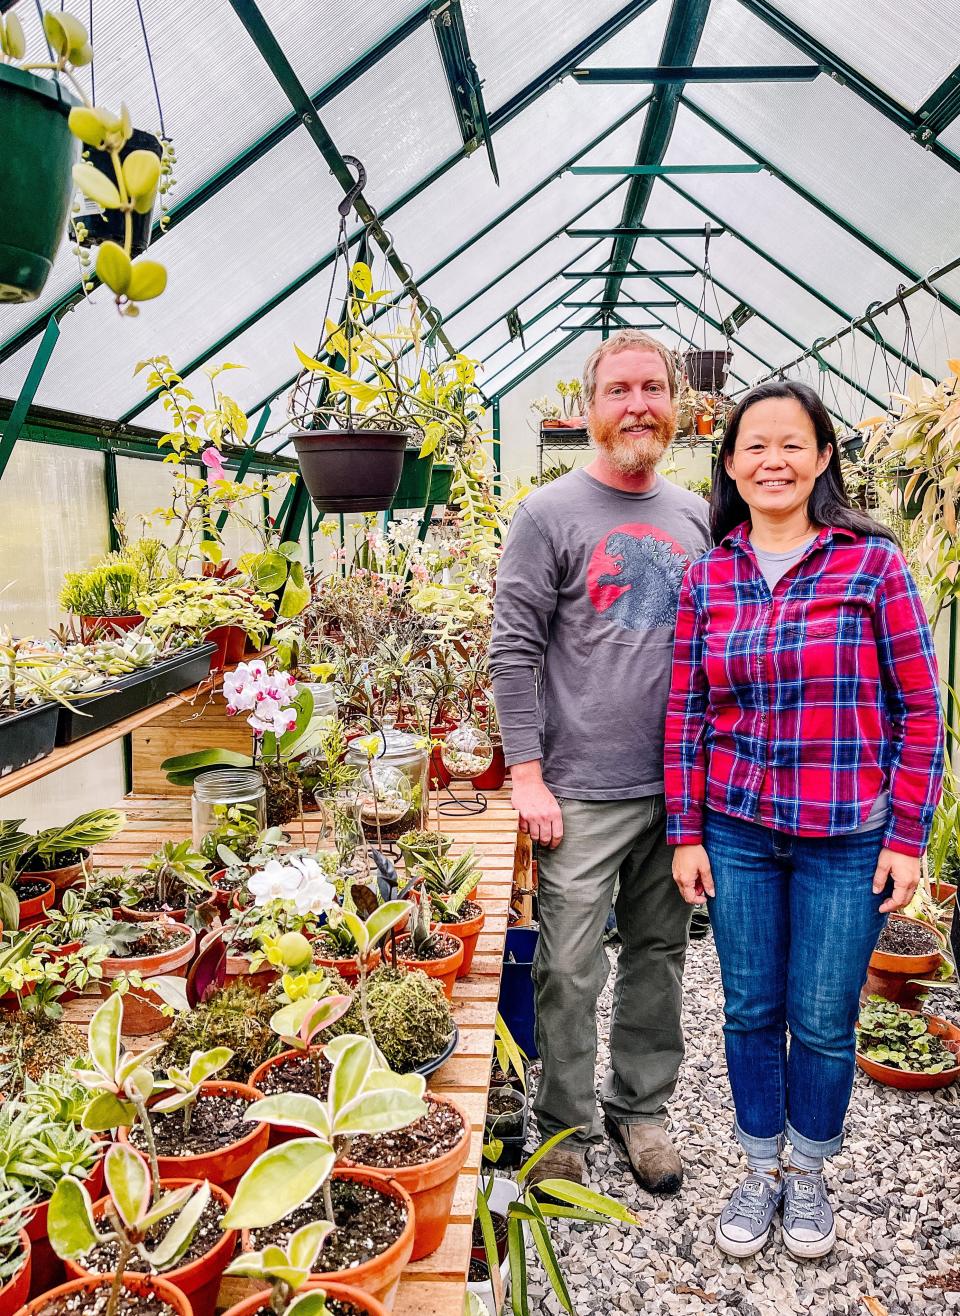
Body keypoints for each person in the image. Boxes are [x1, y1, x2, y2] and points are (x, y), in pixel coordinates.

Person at [665, 380, 944, 1259]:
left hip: (847, 837)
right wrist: (685, 832)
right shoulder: (708, 575)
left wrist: (907, 837)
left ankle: (810, 1176)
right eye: (754, 446)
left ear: (823, 457)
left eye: (791, 444)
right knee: (750, 1009)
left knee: (823, 1019)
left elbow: (921, 709)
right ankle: (758, 1171)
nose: (772, 461)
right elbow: (687, 716)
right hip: (740, 830)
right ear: (731, 465)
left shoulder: (872, 566)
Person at [489, 330, 712, 1192]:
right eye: (618, 390)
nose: (638, 405)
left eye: (652, 388)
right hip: (580, 789)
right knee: (570, 966)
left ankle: (641, 1111)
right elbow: (513, 651)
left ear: (675, 405)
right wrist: (526, 773)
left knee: (661, 952)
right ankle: (563, 1125)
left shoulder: (698, 515)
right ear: (589, 409)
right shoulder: (548, 515)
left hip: (682, 791)